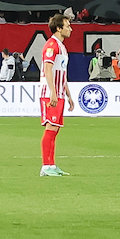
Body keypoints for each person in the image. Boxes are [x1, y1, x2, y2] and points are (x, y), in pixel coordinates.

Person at [38, 10, 74, 177]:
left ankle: (52, 165)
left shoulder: (62, 47)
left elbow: (61, 73)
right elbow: (48, 69)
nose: (70, 29)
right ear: (59, 28)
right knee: (50, 127)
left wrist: (68, 95)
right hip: (50, 93)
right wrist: (52, 92)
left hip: (58, 92)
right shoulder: (51, 45)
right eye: (68, 26)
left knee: (55, 129)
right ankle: (46, 166)